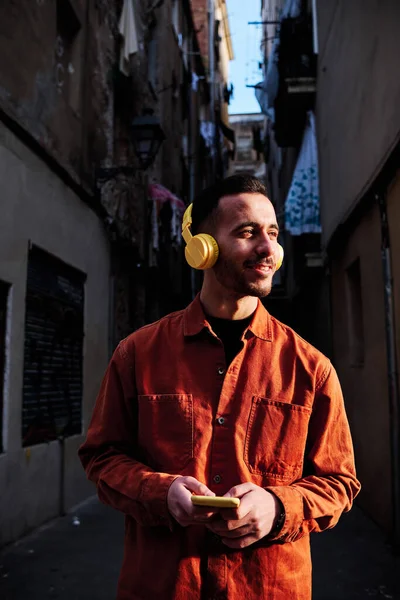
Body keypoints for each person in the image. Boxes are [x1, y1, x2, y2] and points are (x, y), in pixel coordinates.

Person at [79, 174, 360, 600]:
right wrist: (160, 491)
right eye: (247, 233)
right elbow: (102, 458)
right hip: (162, 588)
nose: (268, 249)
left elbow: (339, 482)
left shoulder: (311, 368)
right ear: (202, 249)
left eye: (272, 233)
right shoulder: (137, 354)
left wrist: (278, 508)